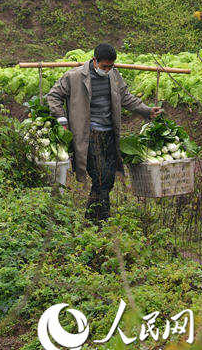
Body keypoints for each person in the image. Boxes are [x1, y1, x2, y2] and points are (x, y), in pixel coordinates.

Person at [46, 43, 163, 223]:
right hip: (89, 135)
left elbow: (126, 97)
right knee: (100, 177)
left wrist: (146, 111)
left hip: (109, 133)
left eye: (111, 66)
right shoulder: (75, 76)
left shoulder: (114, 76)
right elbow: (53, 95)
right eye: (104, 66)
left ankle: (93, 218)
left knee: (107, 178)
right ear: (94, 61)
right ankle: (101, 220)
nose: (108, 70)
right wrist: (62, 119)